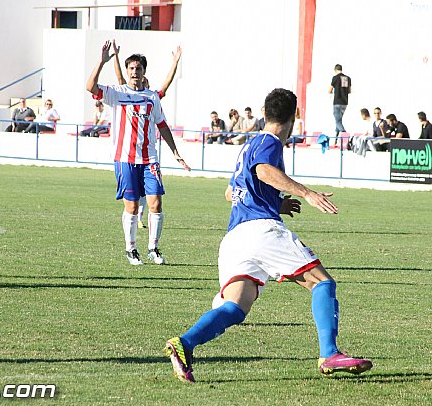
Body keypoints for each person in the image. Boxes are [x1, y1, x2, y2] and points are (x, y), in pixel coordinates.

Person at [165, 88, 372, 383]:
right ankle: (329, 354)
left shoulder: (248, 145)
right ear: (294, 117)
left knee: (235, 307)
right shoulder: (270, 142)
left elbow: (230, 193)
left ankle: (184, 344)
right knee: (322, 282)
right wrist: (305, 193)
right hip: (260, 231)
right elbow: (263, 171)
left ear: (264, 113)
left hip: (234, 238)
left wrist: (276, 201)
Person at [85, 40, 190, 266]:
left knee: (155, 204)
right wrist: (102, 61)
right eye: (131, 68)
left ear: (144, 72)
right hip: (125, 159)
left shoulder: (152, 98)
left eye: (138, 68)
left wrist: (175, 152)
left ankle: (153, 247)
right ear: (127, 71)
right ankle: (131, 249)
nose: (135, 72)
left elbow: (162, 126)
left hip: (149, 159)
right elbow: (90, 86)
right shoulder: (116, 93)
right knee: (132, 207)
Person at [328, 64, 351, 145]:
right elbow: (349, 91)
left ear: (335, 70)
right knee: (339, 120)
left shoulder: (335, 78)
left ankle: (344, 134)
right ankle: (336, 140)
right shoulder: (347, 78)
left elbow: (329, 90)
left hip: (337, 101)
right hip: (345, 102)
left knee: (337, 121)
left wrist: (332, 92)